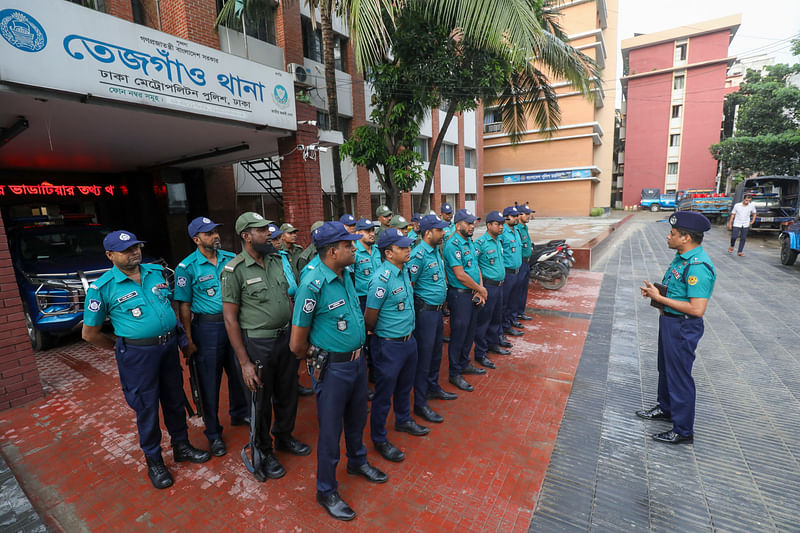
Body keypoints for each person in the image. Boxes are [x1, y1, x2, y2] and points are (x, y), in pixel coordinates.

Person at [82, 230, 211, 489]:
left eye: (136, 247)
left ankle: (181, 445)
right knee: (147, 407)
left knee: (175, 400)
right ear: (110, 255)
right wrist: (120, 347)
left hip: (167, 348)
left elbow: (167, 309)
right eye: (127, 250)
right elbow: (89, 333)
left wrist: (182, 340)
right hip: (138, 357)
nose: (135, 252)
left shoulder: (155, 272)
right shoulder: (103, 287)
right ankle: (154, 461)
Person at [290, 222, 387, 521]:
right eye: (348, 245)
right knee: (331, 431)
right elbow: (296, 343)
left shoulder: (345, 274)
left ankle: (357, 461)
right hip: (333, 368)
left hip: (358, 363)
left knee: (358, 418)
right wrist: (323, 357)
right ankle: (326, 489)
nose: (354, 248)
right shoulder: (313, 283)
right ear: (332, 251)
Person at [221, 212, 310, 482]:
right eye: (261, 230)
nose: (268, 233)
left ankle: (283, 436)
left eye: (267, 229)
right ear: (246, 236)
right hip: (259, 343)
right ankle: (263, 449)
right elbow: (230, 318)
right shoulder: (234, 270)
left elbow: (286, 297)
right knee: (260, 401)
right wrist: (245, 362)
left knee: (287, 392)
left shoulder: (276, 260)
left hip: (285, 339)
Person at [174, 217, 249, 459]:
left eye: (216, 231)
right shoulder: (186, 268)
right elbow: (184, 305)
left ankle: (239, 412)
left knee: (238, 371)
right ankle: (214, 433)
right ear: (197, 240)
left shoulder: (230, 258)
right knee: (209, 382)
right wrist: (187, 339)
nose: (215, 235)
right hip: (207, 329)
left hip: (235, 324)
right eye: (208, 233)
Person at [638, 211, 716, 444]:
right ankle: (666, 409)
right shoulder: (682, 258)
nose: (667, 237)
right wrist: (658, 294)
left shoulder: (698, 266)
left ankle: (683, 430)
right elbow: (676, 289)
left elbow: (696, 309)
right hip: (670, 321)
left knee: (680, 376)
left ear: (686, 238)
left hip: (682, 327)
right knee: (665, 369)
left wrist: (660, 299)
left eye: (672, 234)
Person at [365, 228, 430, 464]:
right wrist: (381, 337)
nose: (408, 250)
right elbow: (370, 317)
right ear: (388, 253)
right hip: (389, 345)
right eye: (402, 247)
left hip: (408, 341)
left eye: (408, 246)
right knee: (384, 395)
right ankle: (379, 438)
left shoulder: (403, 272)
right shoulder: (380, 279)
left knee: (405, 387)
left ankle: (403, 420)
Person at [408, 214, 457, 424]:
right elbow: (409, 285)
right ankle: (420, 402)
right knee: (425, 357)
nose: (443, 233)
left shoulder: (435, 250)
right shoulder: (418, 255)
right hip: (425, 313)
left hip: (437, 312)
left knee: (437, 353)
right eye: (439, 230)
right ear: (428, 232)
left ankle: (433, 387)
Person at [443, 208, 488, 392]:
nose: (472, 226)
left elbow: (475, 268)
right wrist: (480, 289)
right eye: (469, 223)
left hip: (473, 294)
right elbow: (460, 275)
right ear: (458, 224)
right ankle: (454, 373)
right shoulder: (452, 244)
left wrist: (480, 290)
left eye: (474, 222)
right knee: (459, 335)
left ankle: (464, 363)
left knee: (470, 332)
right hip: (460, 295)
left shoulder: (469, 241)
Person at [473, 211, 509, 369]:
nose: (501, 227)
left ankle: (493, 344)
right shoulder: (480, 244)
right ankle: (481, 353)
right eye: (497, 224)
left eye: (502, 224)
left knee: (496, 317)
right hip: (488, 287)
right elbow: (475, 266)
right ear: (488, 225)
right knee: (483, 321)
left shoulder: (498, 240)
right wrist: (479, 288)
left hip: (500, 286)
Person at [499, 206, 525, 339]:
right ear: (506, 217)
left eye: (517, 216)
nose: (516, 218)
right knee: (505, 302)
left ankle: (510, 321)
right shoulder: (502, 232)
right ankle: (504, 326)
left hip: (517, 272)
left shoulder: (516, 230)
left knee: (513, 300)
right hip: (507, 273)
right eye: (514, 216)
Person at [515, 205, 534, 321]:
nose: (528, 216)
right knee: (517, 290)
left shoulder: (524, 227)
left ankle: (520, 312)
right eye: (526, 214)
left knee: (523, 289)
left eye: (529, 214)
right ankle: (515, 313)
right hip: (520, 263)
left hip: (526, 262)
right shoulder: (517, 228)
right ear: (520, 215)